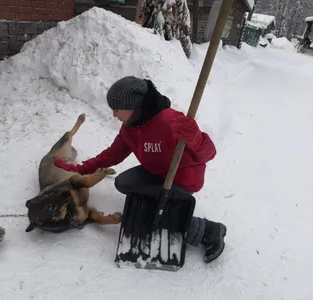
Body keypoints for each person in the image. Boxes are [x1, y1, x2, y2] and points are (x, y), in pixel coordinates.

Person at [53, 76, 227, 263]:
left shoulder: (170, 120)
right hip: (156, 173)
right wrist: (80, 168)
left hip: (183, 178)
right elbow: (112, 154)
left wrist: (195, 138)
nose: (114, 115)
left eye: (116, 109)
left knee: (159, 215)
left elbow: (209, 153)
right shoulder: (130, 127)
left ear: (133, 107)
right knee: (123, 182)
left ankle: (209, 231)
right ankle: (156, 203)